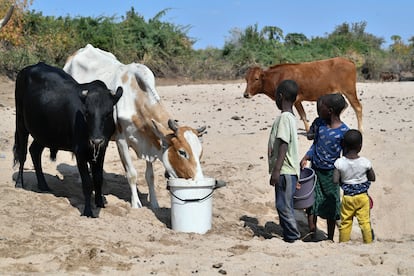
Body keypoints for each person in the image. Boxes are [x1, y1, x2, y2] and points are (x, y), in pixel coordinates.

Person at [300, 93, 349, 241]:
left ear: (330, 110)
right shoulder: (319, 123)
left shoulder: (344, 132)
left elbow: (346, 156)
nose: (317, 109)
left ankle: (330, 237)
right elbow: (314, 143)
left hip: (332, 175)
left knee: (331, 203)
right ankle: (312, 233)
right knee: (311, 203)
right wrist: (307, 156)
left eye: (321, 107)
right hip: (315, 170)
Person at [268, 79, 301, 243]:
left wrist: (276, 169)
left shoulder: (285, 118)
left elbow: (283, 143)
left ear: (280, 97)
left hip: (285, 171)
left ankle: (293, 237)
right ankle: (288, 235)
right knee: (284, 204)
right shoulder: (291, 118)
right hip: (287, 172)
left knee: (284, 206)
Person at [333, 129, 376, 243]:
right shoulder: (365, 162)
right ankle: (368, 242)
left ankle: (343, 243)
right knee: (365, 222)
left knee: (346, 222)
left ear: (344, 146)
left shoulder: (339, 163)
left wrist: (345, 178)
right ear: (360, 146)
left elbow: (335, 180)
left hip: (348, 198)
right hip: (362, 197)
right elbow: (372, 177)